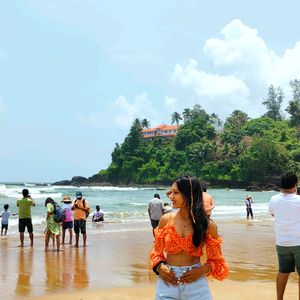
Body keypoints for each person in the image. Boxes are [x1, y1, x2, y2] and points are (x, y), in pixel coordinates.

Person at [150, 176, 229, 299]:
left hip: (197, 285)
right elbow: (156, 253)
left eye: (176, 193)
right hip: (167, 284)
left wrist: (201, 271)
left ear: (189, 195)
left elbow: (216, 261)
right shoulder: (165, 220)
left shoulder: (208, 225)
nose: (171, 196)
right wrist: (160, 267)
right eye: (171, 192)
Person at [269, 172, 300, 300]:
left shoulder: (274, 199)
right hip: (298, 242)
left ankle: (279, 299)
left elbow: (273, 214)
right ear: (295, 184)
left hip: (282, 242)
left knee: (283, 271)